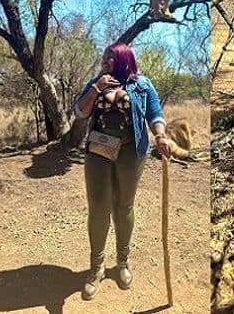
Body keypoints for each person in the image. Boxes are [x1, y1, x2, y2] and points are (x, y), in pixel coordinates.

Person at [73, 41, 173, 300]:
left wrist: (160, 136)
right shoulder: (97, 82)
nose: (105, 61)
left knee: (124, 206)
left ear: (123, 59)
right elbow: (79, 113)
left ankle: (122, 263)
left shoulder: (142, 84)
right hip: (98, 150)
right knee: (99, 207)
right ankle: (96, 269)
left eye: (110, 57)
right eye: (104, 57)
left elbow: (155, 114)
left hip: (130, 151)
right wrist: (95, 89)